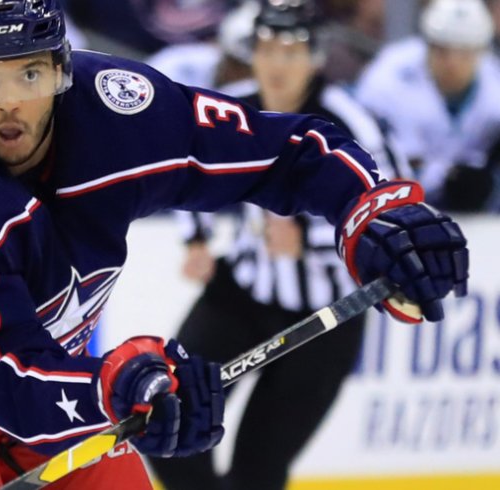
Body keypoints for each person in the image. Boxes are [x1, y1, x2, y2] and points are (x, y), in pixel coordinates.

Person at [0, 1, 469, 488]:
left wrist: (368, 210)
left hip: (34, 362)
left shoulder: (123, 110)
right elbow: (8, 383)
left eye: (28, 74)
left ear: (62, 69)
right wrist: (124, 381)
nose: (6, 106)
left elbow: (281, 153)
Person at [146, 2, 411, 489]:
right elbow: (178, 166)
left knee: (259, 472)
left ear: (316, 58)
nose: (276, 64)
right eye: (266, 49)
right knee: (170, 426)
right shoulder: (230, 104)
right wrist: (196, 238)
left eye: (290, 52)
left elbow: (392, 209)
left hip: (325, 319)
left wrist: (310, 238)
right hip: (241, 293)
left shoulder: (352, 121)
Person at [355, 0, 500, 212]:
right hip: (398, 202)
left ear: (481, 51)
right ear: (427, 44)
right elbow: (363, 144)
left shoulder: (494, 84)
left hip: (481, 210)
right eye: (443, 50)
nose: (453, 63)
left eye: (464, 52)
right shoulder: (386, 78)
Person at [147, 0, 258, 92]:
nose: (237, 70)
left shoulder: (254, 88)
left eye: (244, 67)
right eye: (235, 63)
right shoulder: (183, 61)